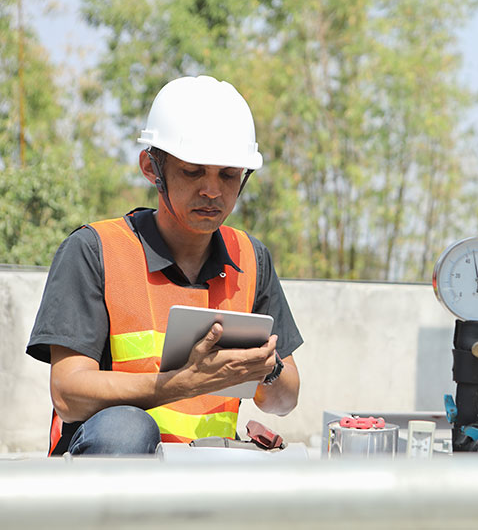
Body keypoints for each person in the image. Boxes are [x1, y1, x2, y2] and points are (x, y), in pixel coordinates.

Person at [26, 75, 302, 456]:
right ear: (151, 167)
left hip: (206, 469)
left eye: (228, 175)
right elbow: (68, 393)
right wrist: (180, 383)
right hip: (108, 480)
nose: (212, 191)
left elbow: (284, 401)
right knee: (126, 429)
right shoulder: (95, 250)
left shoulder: (251, 260)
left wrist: (268, 368)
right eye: (192, 171)